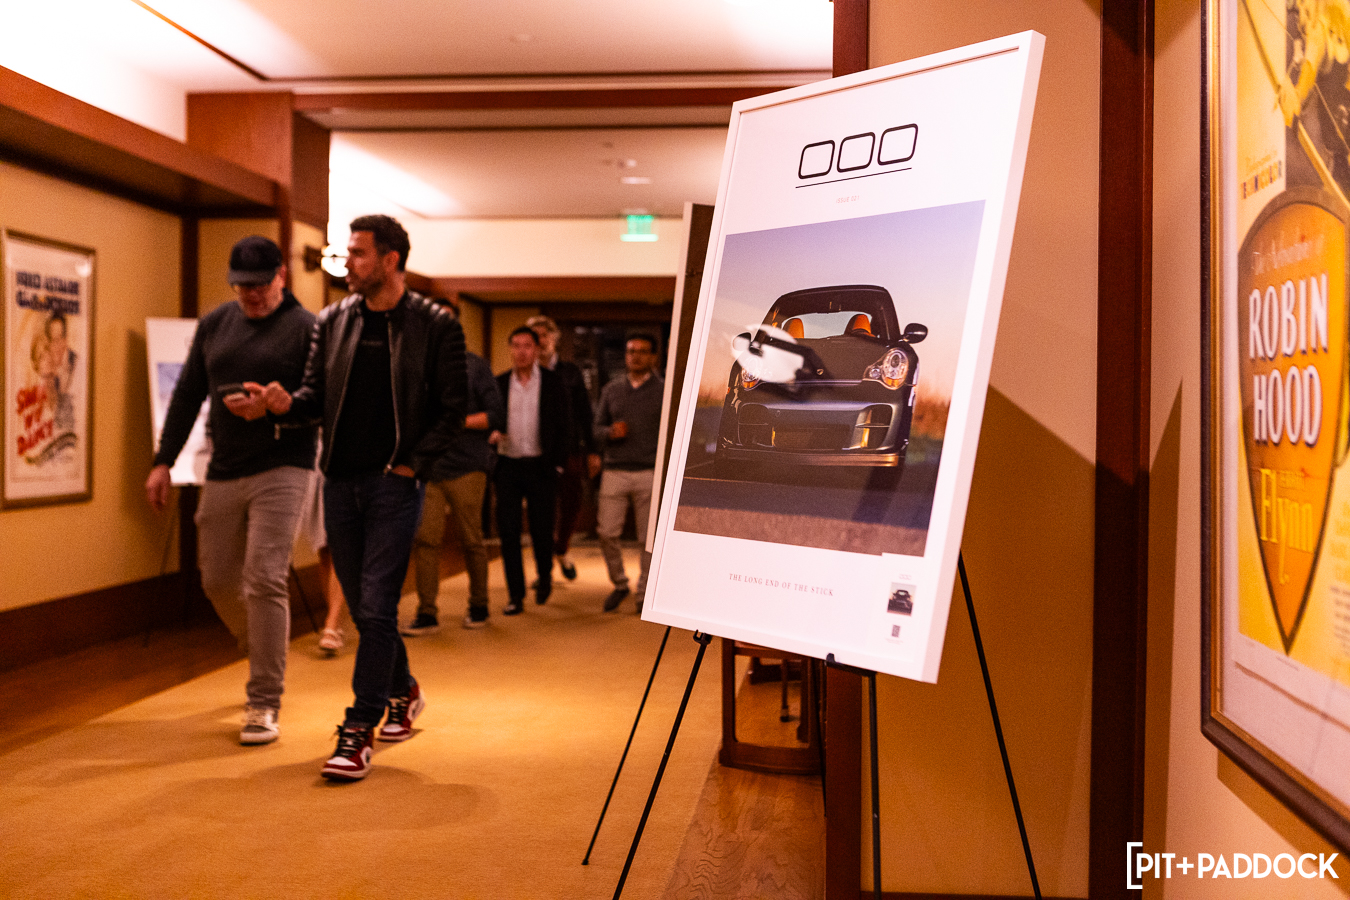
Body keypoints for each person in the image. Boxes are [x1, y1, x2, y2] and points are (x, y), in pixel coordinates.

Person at [262, 215, 467, 781]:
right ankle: (404, 690)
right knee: (364, 606)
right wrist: (285, 404)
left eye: (357, 253)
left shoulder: (435, 325)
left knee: (377, 606)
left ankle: (358, 728)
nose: (346, 263)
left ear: (390, 260)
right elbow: (314, 396)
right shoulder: (333, 321)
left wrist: (413, 465)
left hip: (393, 484)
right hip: (339, 482)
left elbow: (453, 411)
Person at [144, 235, 317, 745]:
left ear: (281, 276)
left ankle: (263, 700)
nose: (252, 295)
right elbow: (187, 394)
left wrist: (279, 405)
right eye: (243, 287)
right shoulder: (216, 324)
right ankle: (262, 644)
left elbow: (322, 399)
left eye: (261, 285)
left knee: (264, 576)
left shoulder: (307, 329)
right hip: (225, 467)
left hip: (284, 465)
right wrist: (162, 461)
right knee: (218, 579)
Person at [403, 347, 504, 633]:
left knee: (471, 539)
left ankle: (479, 606)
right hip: (429, 469)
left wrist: (459, 422)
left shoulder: (475, 367)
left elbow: (496, 415)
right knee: (425, 540)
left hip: (467, 467)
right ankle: (426, 613)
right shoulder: (419, 367)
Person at [490, 326, 569, 616]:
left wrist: (558, 464)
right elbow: (490, 419)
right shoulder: (499, 383)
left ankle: (544, 576)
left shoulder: (552, 382)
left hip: (541, 466)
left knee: (542, 529)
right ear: (510, 349)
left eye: (527, 346)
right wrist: (492, 434)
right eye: (516, 345)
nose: (521, 351)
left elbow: (565, 425)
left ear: (536, 350)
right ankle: (515, 594)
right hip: (508, 466)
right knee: (508, 532)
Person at [526, 315, 601, 582]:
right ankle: (544, 566)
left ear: (554, 339)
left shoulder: (570, 372)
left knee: (571, 503)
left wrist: (592, 451)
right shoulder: (524, 373)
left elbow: (584, 413)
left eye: (545, 335)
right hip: (534, 452)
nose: (540, 340)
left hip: (569, 448)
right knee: (540, 509)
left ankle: (561, 549)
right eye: (535, 336)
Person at [593, 334, 663, 613]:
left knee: (648, 539)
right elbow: (596, 429)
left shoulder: (664, 390)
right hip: (615, 469)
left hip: (650, 470)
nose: (635, 356)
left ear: (653, 357)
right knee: (606, 532)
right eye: (631, 351)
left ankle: (644, 593)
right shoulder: (611, 389)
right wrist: (609, 432)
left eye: (642, 351)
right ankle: (620, 583)